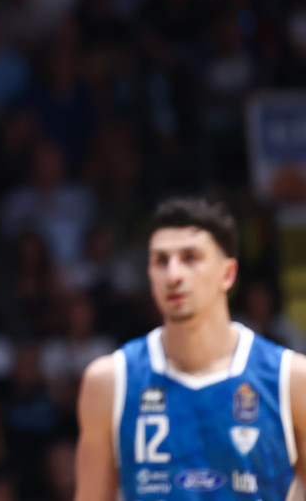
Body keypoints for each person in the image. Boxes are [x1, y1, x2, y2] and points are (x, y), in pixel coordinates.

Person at [74, 197, 306, 499]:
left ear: (227, 274)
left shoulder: (292, 380)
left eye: (190, 257)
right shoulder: (109, 382)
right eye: (161, 261)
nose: (173, 275)